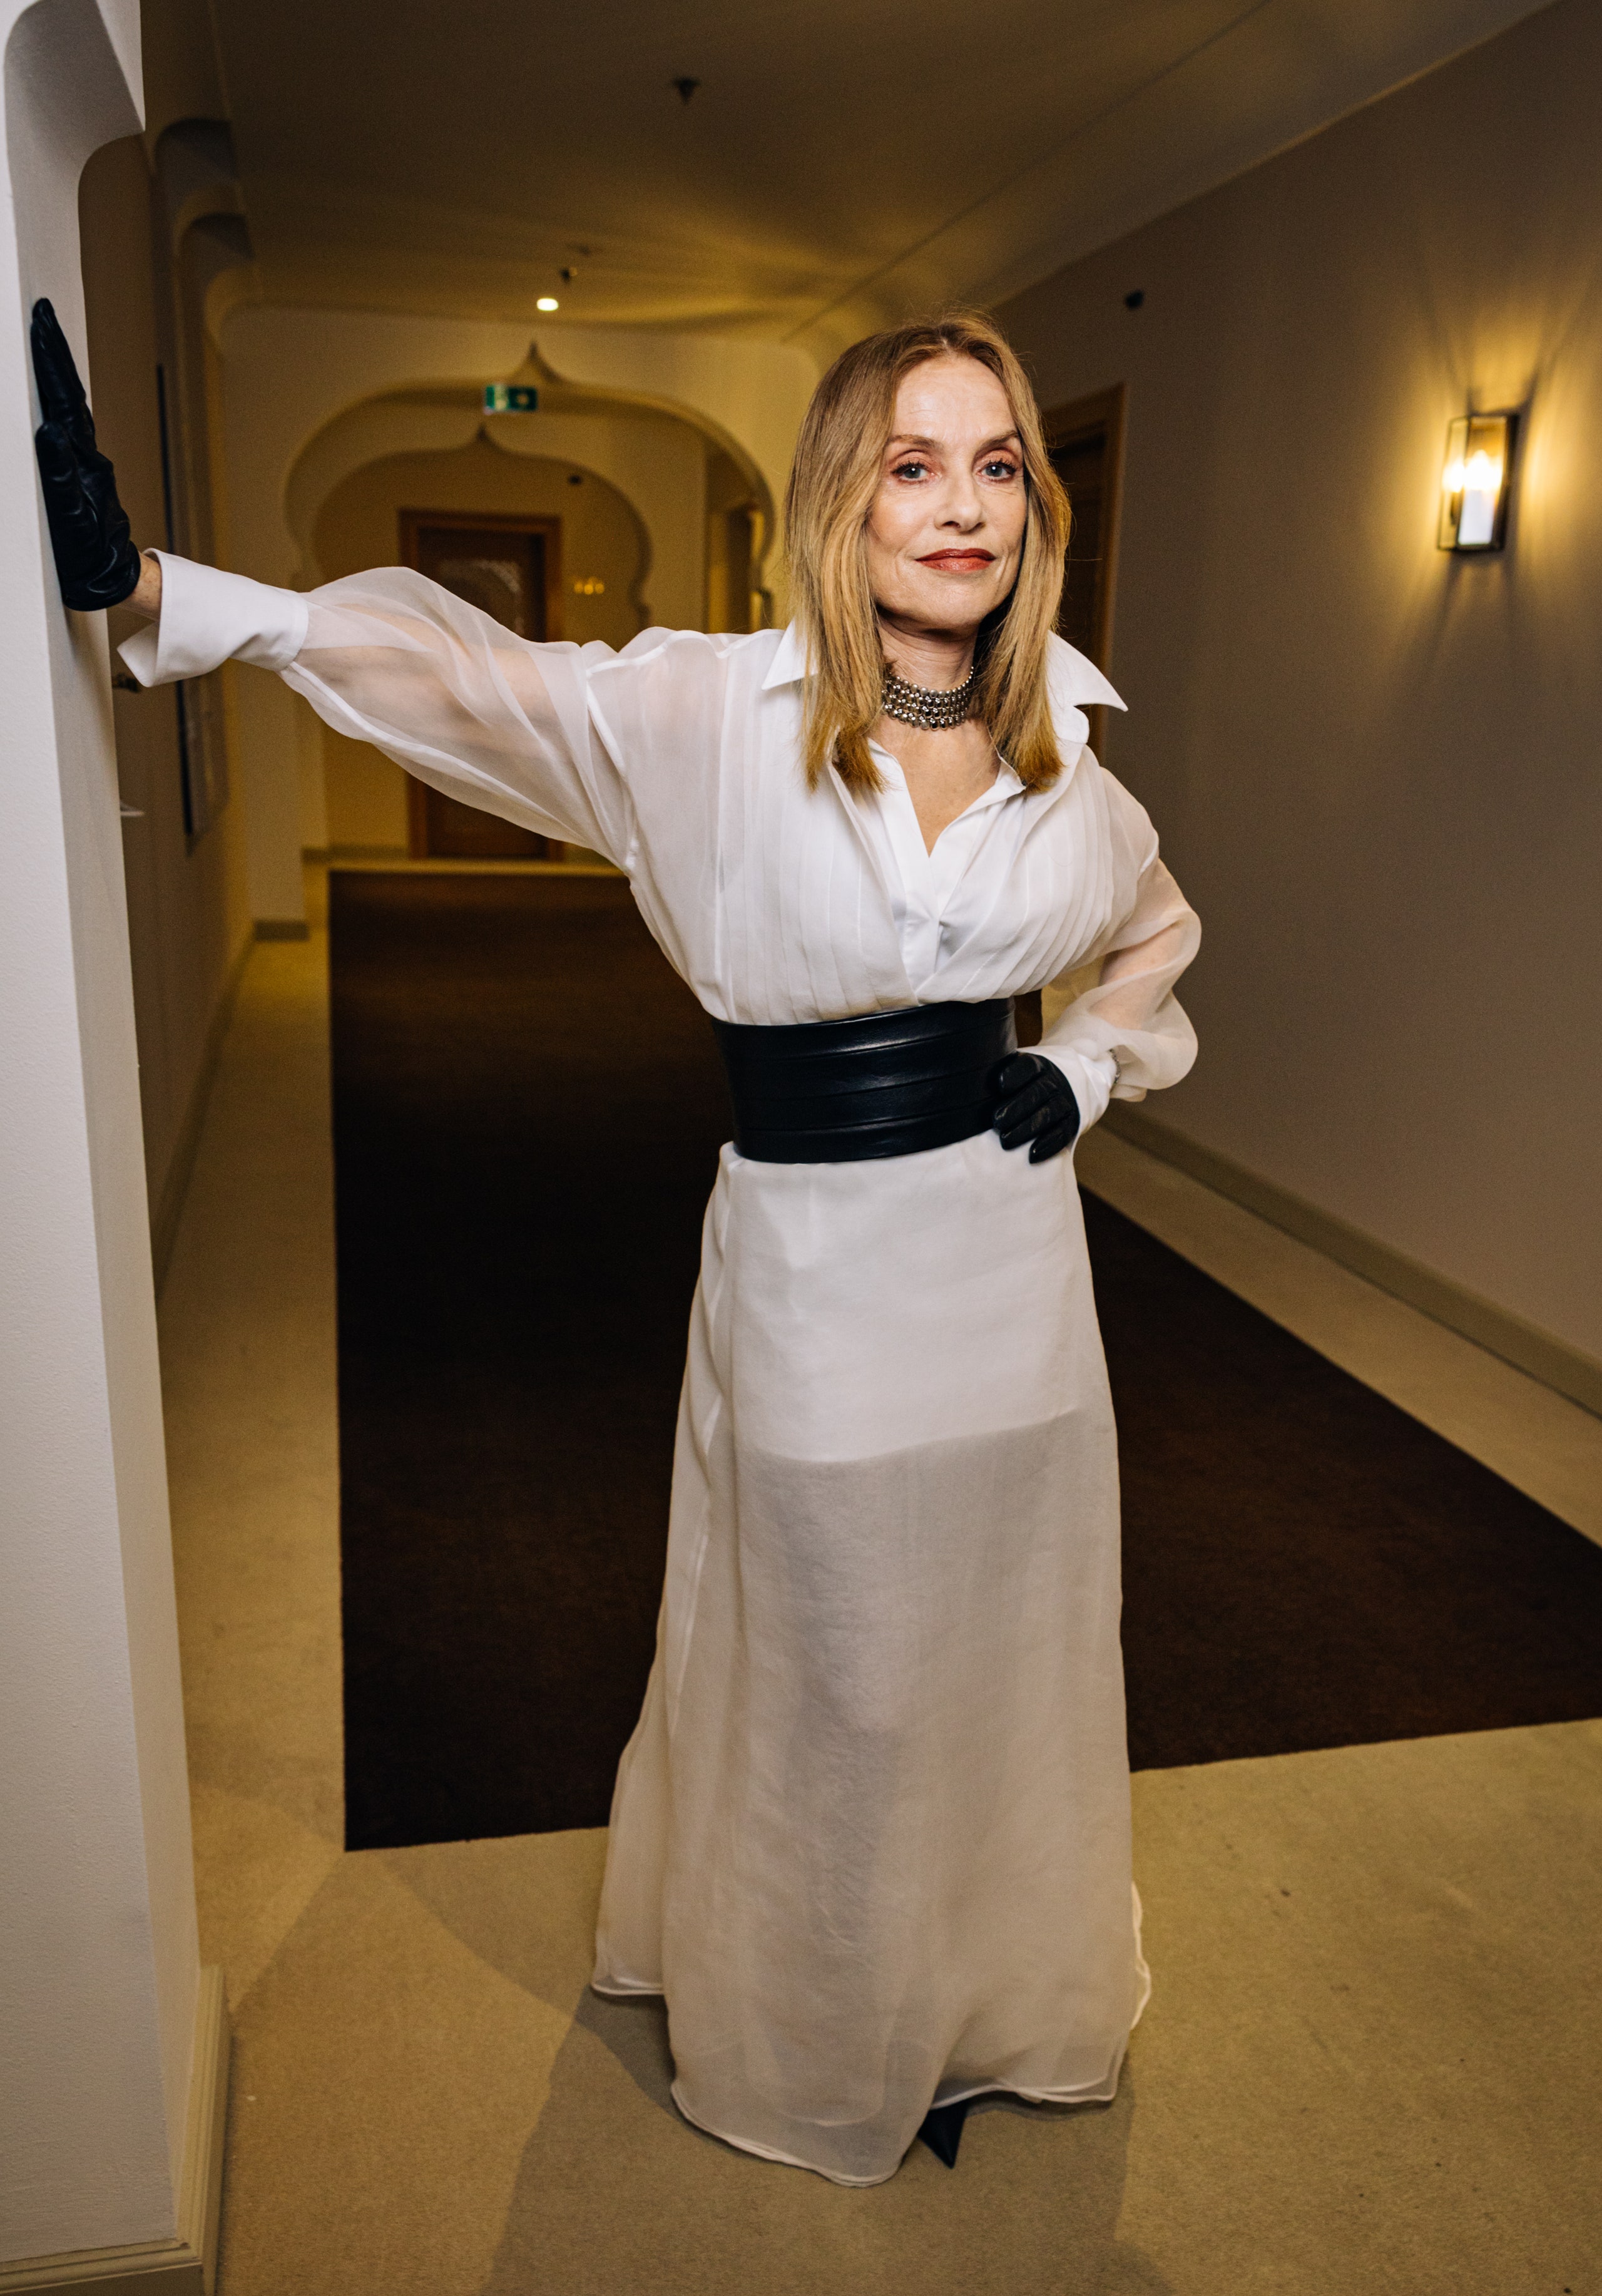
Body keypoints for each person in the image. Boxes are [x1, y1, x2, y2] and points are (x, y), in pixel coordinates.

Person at [34, 299, 1199, 2187]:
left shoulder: (1070, 739)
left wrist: (1078, 1064)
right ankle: (828, 2023)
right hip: (815, 1265)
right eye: (914, 465)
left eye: (998, 466)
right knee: (837, 1655)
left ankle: (983, 2001)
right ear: (842, 495)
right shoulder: (706, 714)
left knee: (1007, 1628)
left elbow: (1152, 929)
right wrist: (164, 584)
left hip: (1016, 1275)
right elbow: (466, 680)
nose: (963, 508)